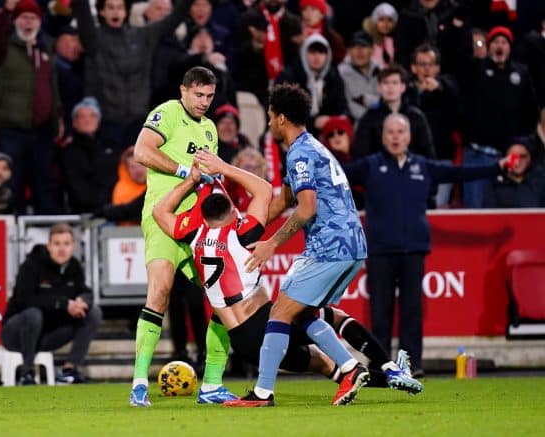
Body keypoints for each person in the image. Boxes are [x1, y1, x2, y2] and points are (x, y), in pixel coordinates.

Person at [152, 151, 423, 400]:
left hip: (243, 344)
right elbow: (263, 189)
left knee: (322, 363)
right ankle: (387, 368)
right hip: (263, 321)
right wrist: (224, 168)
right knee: (324, 314)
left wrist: (190, 181)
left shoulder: (192, 236)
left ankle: (383, 378)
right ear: (234, 212)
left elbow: (159, 211)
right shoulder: (242, 233)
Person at [226, 83, 369, 407]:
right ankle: (349, 367)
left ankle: (265, 392)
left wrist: (271, 245)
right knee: (302, 314)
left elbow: (306, 208)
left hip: (330, 245)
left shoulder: (300, 153)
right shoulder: (310, 148)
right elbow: (285, 200)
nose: (269, 121)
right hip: (351, 243)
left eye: (270, 115)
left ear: (281, 118)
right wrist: (249, 231)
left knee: (280, 311)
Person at [342, 113, 513, 376]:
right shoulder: (370, 166)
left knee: (412, 312)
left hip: (414, 250)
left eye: (400, 131)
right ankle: (379, 365)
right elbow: (335, 173)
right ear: (383, 137)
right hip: (380, 251)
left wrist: (497, 167)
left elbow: (459, 173)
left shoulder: (422, 166)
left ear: (409, 136)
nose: (395, 136)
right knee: (380, 314)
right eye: (390, 132)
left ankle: (412, 365)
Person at [129, 66, 235, 407]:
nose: (204, 102)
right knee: (159, 292)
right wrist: (181, 171)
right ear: (184, 91)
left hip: (197, 224)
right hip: (163, 218)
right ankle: (139, 383)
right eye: (198, 95)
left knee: (223, 297)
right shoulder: (168, 112)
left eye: (209, 96)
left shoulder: (210, 129)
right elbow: (141, 152)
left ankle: (213, 384)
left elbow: (210, 178)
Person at [73, 0, 194, 153]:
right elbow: (83, 14)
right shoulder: (94, 39)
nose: (116, 12)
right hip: (107, 125)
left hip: (139, 123)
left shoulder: (142, 36)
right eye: (110, 8)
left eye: (119, 8)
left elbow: (174, 18)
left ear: (126, 11)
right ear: (102, 12)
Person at [1, 223, 102, 384]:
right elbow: (24, 299)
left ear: (73, 246)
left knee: (93, 312)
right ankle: (26, 373)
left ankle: (70, 370)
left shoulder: (74, 266)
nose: (62, 249)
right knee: (33, 314)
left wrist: (82, 301)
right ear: (49, 246)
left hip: (49, 335)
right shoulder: (32, 265)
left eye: (66, 244)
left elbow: (86, 291)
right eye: (57, 244)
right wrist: (63, 304)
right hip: (15, 333)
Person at [0, 0, 63, 214]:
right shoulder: (4, 47)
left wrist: (57, 116)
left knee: (45, 181)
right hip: (11, 129)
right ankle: (11, 231)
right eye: (23, 18)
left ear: (40, 22)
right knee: (11, 183)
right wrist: (6, 11)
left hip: (42, 129)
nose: (28, 23)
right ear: (15, 22)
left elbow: (52, 85)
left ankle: (49, 234)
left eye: (33, 18)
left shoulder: (46, 47)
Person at [460, 26, 539, 208]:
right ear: (488, 47)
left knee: (510, 211)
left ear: (510, 47)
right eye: (495, 42)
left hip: (510, 157)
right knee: (476, 211)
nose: (500, 46)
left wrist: (520, 145)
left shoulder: (521, 74)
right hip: (478, 155)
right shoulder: (475, 69)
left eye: (504, 42)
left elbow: (530, 113)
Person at [406, 43, 462, 208]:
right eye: (422, 64)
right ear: (413, 68)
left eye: (431, 64)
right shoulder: (406, 91)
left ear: (437, 68)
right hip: (413, 160)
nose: (427, 69)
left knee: (438, 208)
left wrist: (440, 87)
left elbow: (458, 101)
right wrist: (419, 94)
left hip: (441, 159)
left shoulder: (447, 88)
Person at [353, 64, 436, 160]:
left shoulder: (416, 116)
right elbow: (361, 155)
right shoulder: (369, 118)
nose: (390, 87)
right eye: (386, 83)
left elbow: (428, 154)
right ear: (379, 87)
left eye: (395, 83)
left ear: (403, 87)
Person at [276, 33, 349, 135]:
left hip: (327, 132)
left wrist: (335, 119)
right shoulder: (289, 77)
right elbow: (284, 114)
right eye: (312, 52)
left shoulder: (333, 76)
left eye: (321, 52)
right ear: (304, 53)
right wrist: (313, 122)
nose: (317, 57)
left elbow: (342, 107)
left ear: (328, 55)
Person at [62, 97, 118, 213]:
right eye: (82, 116)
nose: (87, 120)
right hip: (79, 211)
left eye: (92, 116)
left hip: (110, 210)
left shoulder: (111, 147)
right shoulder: (67, 151)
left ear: (99, 120)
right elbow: (73, 183)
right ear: (74, 122)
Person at [483, 140, 545, 208]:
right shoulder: (495, 185)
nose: (518, 161)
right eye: (513, 157)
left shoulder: (540, 184)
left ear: (529, 159)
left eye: (523, 156)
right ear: (505, 159)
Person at [337, 30, 380, 123]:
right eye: (355, 47)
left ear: (372, 50)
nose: (359, 51)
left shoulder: (381, 71)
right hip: (354, 127)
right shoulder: (340, 73)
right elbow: (349, 105)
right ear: (349, 51)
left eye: (364, 46)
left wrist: (366, 99)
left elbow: (387, 102)